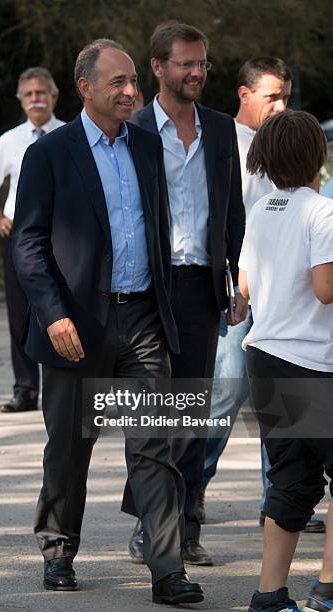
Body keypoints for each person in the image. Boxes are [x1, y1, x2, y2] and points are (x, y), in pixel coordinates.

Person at [12, 39, 204, 605]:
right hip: (76, 327)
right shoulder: (50, 153)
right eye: (117, 82)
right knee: (70, 447)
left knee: (153, 448)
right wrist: (52, 315)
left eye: (132, 82)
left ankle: (166, 570)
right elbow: (27, 245)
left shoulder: (147, 148)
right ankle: (58, 550)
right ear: (85, 89)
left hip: (142, 319)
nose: (130, 91)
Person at [124, 21, 247, 567]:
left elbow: (234, 211)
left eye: (202, 64)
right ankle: (152, 526)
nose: (197, 72)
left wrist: (239, 275)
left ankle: (187, 524)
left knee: (193, 412)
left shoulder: (221, 129)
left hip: (202, 284)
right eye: (185, 64)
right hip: (151, 286)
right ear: (157, 68)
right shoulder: (135, 129)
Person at [198, 57, 325, 534]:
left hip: (286, 294)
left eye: (286, 97)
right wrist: (236, 289)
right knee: (225, 392)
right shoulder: (222, 142)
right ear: (244, 94)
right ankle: (184, 499)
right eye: (272, 95)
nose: (280, 105)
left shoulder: (290, 143)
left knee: (283, 400)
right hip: (241, 287)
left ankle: (284, 501)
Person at [237, 109, 333, 612]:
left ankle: (270, 595)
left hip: (265, 357)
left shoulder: (262, 210)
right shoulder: (322, 211)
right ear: (317, 156)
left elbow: (245, 289)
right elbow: (325, 290)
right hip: (312, 364)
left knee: (291, 477)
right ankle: (329, 585)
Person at [0, 67, 65, 413]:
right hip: (20, 236)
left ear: (54, 96)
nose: (35, 100)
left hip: (61, 237)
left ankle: (65, 388)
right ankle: (25, 389)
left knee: (63, 310)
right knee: (20, 315)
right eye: (28, 94)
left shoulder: (70, 135)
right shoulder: (10, 140)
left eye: (41, 93)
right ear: (20, 100)